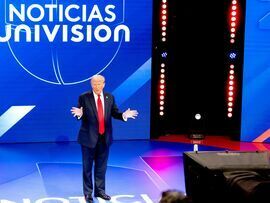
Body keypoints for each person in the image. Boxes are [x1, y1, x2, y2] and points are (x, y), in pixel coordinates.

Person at [71, 75, 138, 203]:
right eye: (94, 84)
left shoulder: (109, 97)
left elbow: (114, 112)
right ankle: (88, 194)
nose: (96, 86)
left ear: (104, 84)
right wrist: (79, 115)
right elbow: (79, 112)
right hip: (88, 138)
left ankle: (100, 191)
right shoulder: (84, 97)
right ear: (91, 85)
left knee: (101, 167)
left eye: (99, 83)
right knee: (87, 168)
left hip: (104, 138)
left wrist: (123, 115)